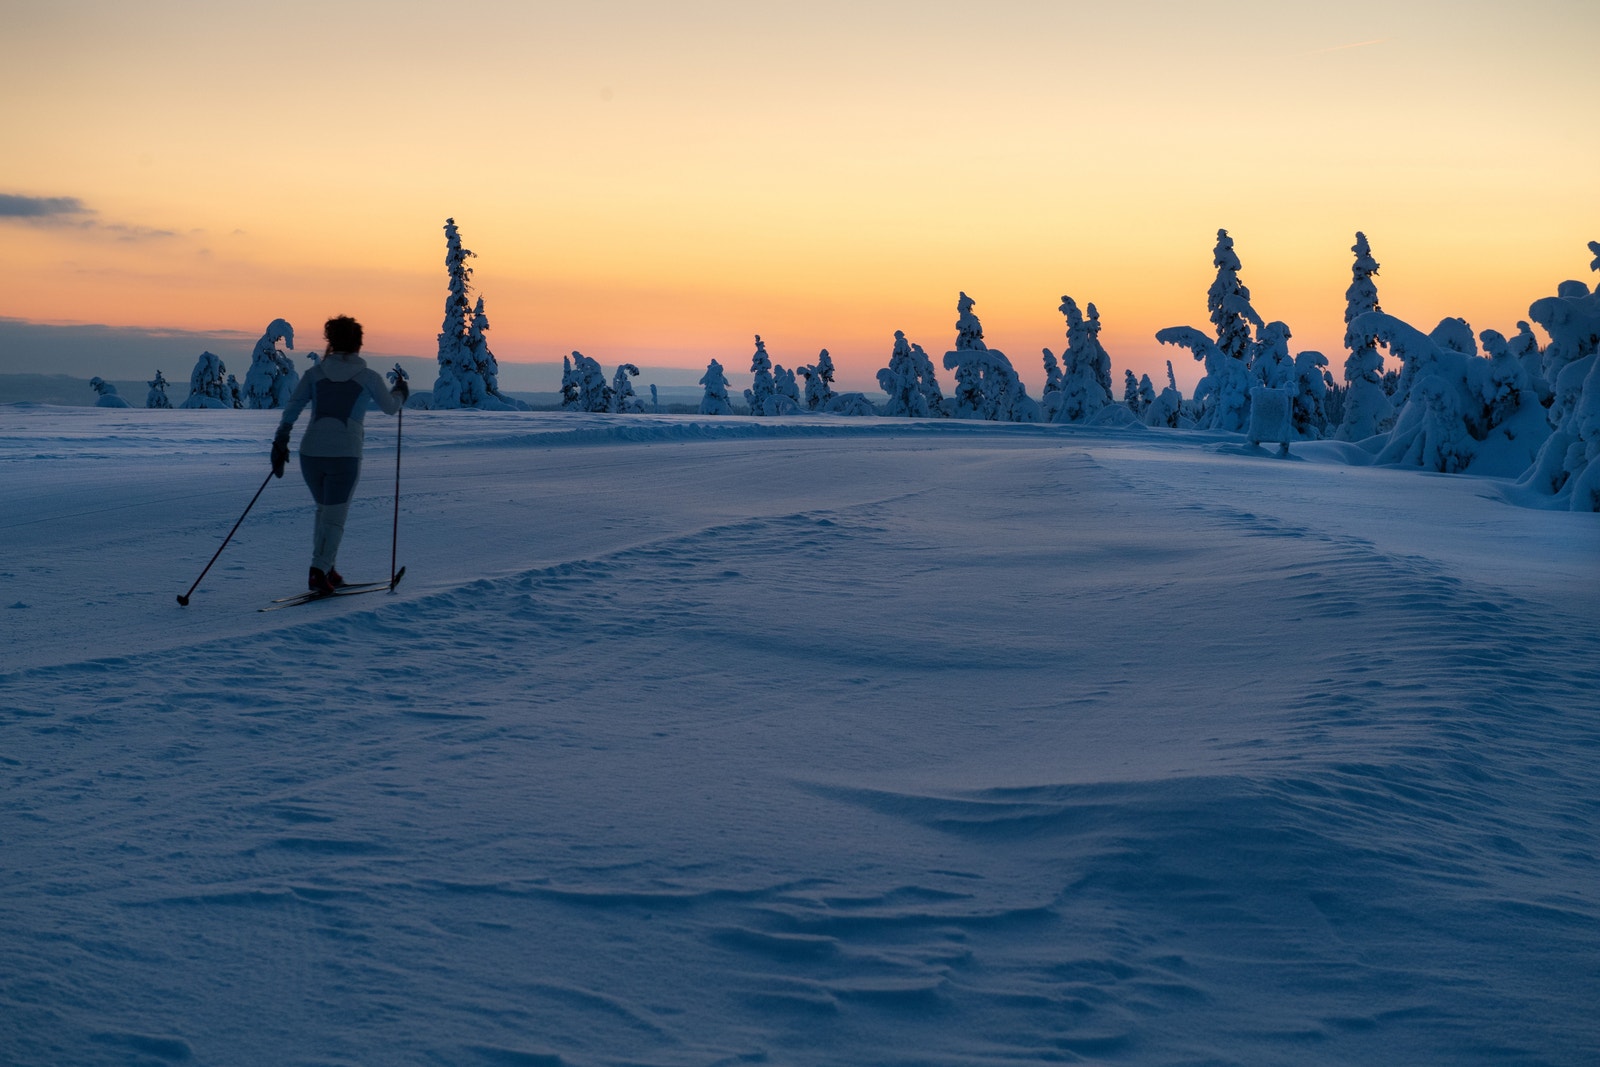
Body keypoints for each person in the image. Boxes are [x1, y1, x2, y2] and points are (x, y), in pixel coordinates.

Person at [272, 315, 408, 594]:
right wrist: (401, 393)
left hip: (310, 455)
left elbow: (293, 408)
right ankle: (318, 572)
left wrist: (281, 440)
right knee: (334, 517)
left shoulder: (315, 374)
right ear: (358, 344)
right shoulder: (368, 377)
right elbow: (390, 407)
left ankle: (327, 568)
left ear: (332, 343)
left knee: (325, 513)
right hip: (344, 455)